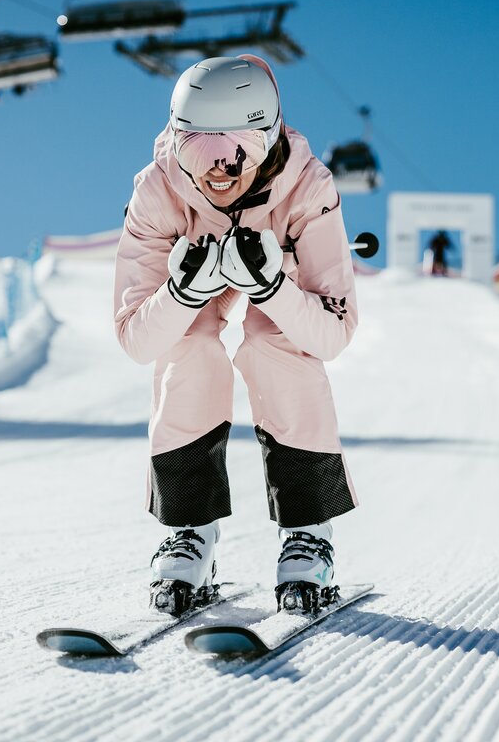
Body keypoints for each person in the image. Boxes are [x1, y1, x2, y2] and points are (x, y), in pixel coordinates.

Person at [114, 55, 359, 616]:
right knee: (188, 347)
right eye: (197, 150)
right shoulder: (159, 192)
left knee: (277, 345)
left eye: (233, 153)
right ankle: (190, 529)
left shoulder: (306, 188)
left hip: (279, 259)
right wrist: (180, 295)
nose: (217, 172)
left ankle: (306, 528)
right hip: (194, 264)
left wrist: (273, 287)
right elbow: (136, 340)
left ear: (267, 138)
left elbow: (331, 335)